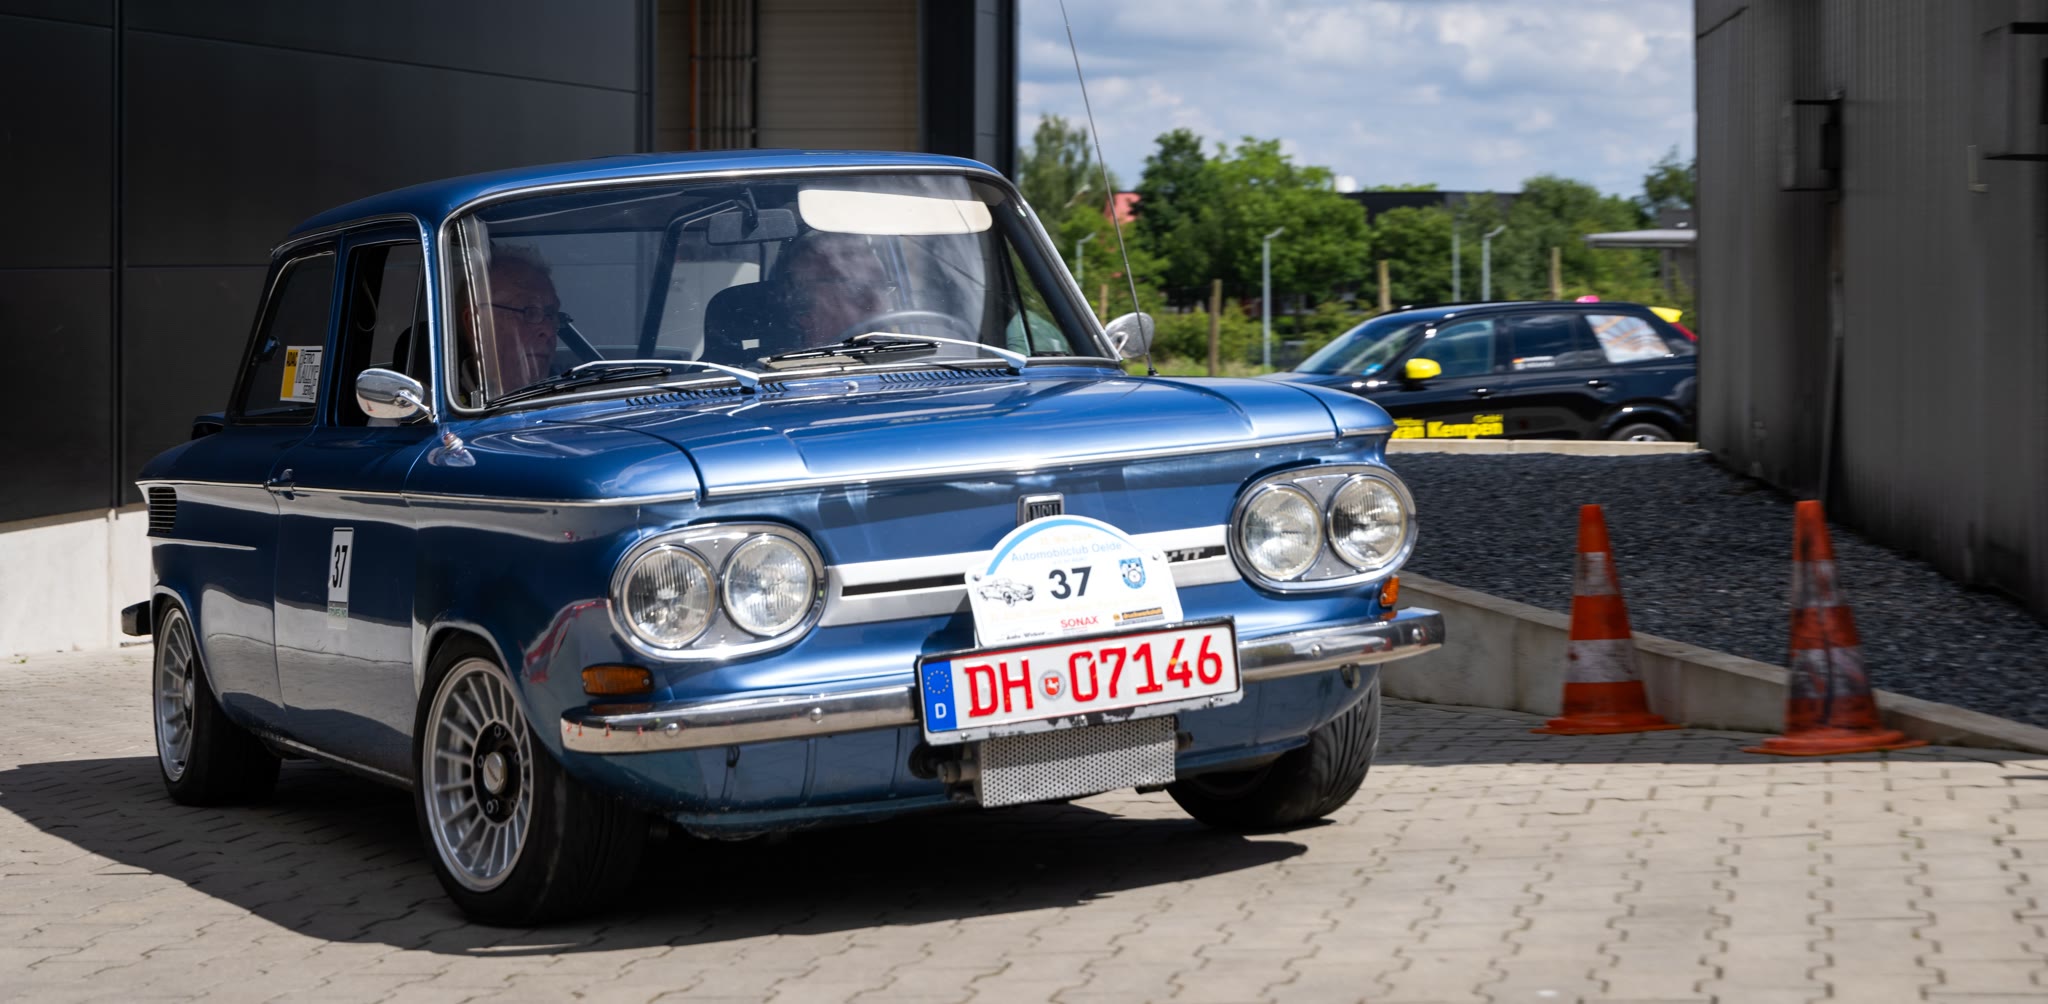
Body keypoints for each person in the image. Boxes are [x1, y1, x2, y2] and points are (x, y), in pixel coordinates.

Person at [460, 244, 562, 399]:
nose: (549, 331)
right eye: (530, 312)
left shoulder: (583, 394)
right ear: (477, 324)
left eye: (552, 314)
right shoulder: (434, 405)